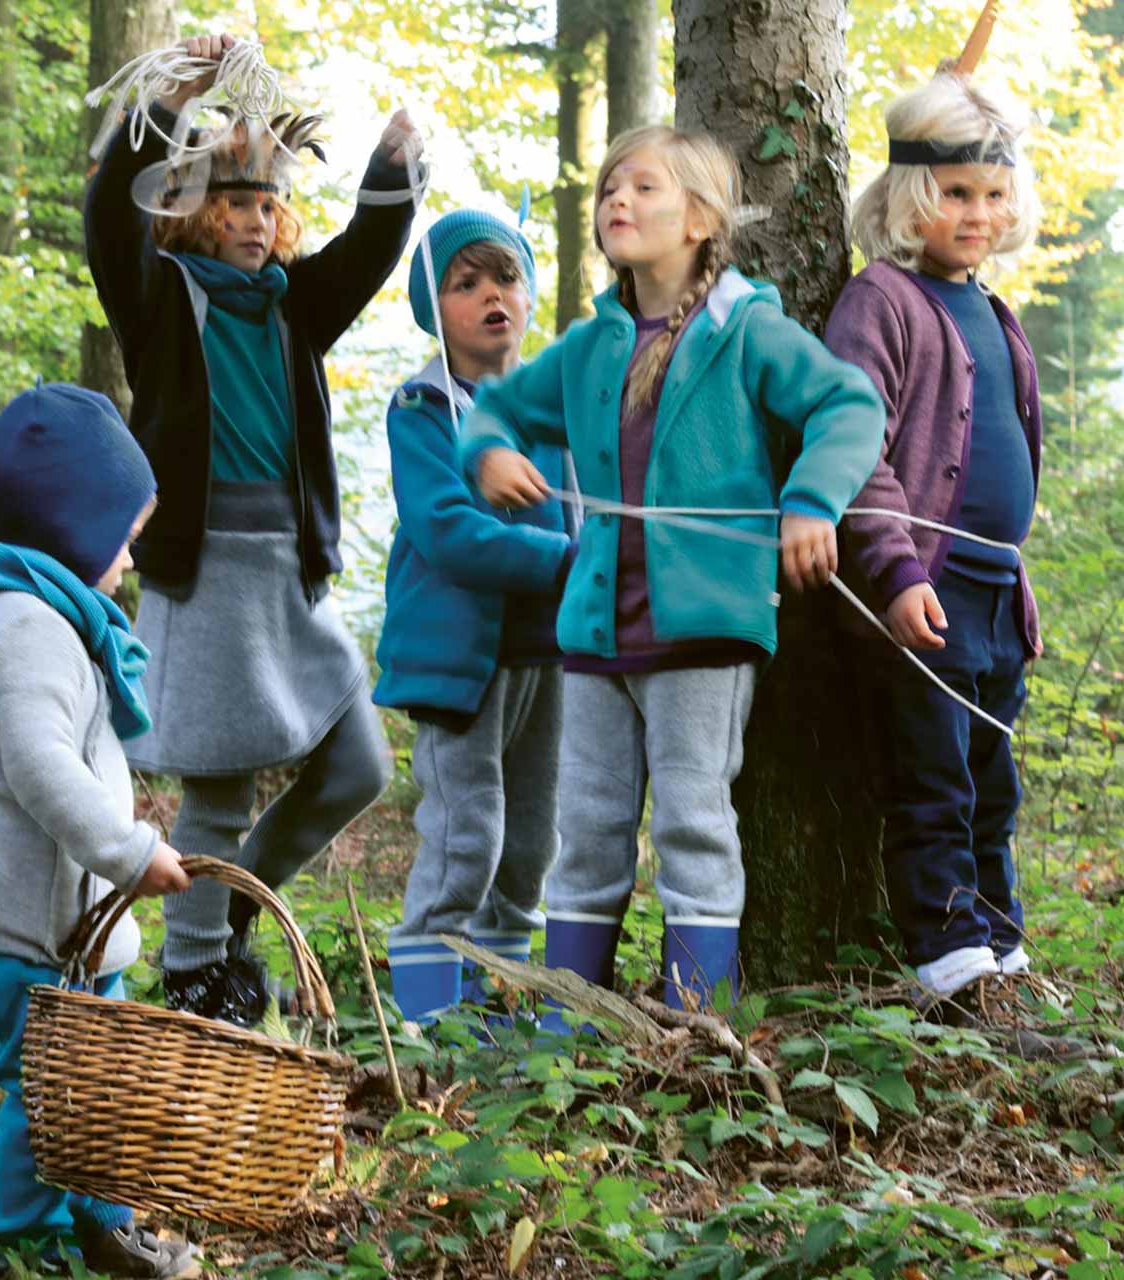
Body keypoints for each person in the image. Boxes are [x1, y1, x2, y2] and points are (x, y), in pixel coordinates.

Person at [459, 126, 884, 1015]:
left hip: (703, 627)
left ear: (698, 218)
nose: (619, 200)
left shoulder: (746, 328)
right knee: (589, 830)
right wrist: (488, 453)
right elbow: (494, 407)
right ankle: (572, 1019)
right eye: (610, 185)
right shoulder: (589, 345)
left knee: (694, 821)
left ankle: (700, 1018)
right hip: (595, 632)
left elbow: (847, 404)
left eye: (643, 187)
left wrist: (811, 502)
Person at [84, 33, 422, 1025]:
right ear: (193, 209)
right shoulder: (159, 298)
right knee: (221, 793)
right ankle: (195, 972)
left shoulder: (290, 306)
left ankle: (220, 921)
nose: (251, 217)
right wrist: (171, 99)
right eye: (231, 200)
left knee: (358, 761)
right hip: (208, 579)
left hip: (289, 577)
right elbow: (110, 211)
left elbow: (364, 251)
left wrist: (393, 167)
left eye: (266, 203)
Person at [0, 383, 196, 1277]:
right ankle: (30, 1244)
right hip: (32, 933)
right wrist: (128, 852)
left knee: (89, 1088)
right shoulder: (35, 632)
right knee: (54, 1094)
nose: (130, 554)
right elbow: (44, 773)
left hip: (30, 924)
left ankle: (102, 1223)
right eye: (123, 533)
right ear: (73, 526)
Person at [825, 71, 1044, 1013]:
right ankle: (947, 950)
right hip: (929, 587)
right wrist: (899, 570)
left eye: (993, 196)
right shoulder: (881, 300)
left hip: (996, 589)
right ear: (912, 195)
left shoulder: (994, 312)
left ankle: (999, 937)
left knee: (993, 778)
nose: (977, 214)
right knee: (934, 773)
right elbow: (849, 448)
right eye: (956, 194)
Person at [373, 210, 575, 1024]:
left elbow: (587, 516)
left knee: (531, 846)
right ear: (435, 306)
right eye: (468, 283)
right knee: (469, 839)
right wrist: (568, 563)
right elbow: (448, 534)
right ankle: (424, 1013)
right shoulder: (423, 408)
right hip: (459, 664)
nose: (494, 295)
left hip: (549, 656)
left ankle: (497, 998)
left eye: (508, 278)